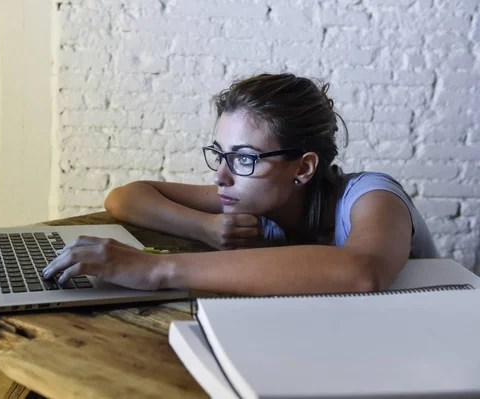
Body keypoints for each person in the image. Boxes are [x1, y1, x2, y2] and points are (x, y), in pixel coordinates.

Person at [42, 73, 438, 296]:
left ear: (303, 168)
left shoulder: (373, 197)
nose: (221, 175)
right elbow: (124, 198)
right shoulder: (250, 198)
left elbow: (361, 272)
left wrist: (154, 270)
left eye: (244, 158)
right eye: (220, 153)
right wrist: (204, 227)